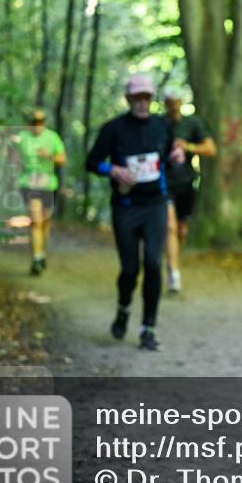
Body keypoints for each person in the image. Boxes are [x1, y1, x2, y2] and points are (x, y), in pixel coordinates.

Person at [85, 74, 185, 351]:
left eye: (147, 97)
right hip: (126, 208)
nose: (142, 102)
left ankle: (148, 329)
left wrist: (177, 159)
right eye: (137, 97)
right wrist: (113, 170)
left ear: (152, 100)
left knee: (153, 264)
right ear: (129, 99)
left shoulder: (162, 127)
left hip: (155, 205)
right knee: (130, 270)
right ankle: (123, 308)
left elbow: (170, 160)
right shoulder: (113, 129)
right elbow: (91, 162)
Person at [163, 88, 216, 293]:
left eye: (177, 101)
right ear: (166, 102)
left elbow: (211, 149)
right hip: (164, 182)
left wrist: (188, 147)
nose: (174, 105)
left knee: (182, 230)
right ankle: (174, 273)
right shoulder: (159, 124)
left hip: (186, 183)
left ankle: (173, 258)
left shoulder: (193, 123)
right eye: (170, 101)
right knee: (170, 227)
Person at [16, 110, 66, 275]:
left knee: (45, 222)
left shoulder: (52, 137)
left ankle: (41, 253)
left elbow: (62, 159)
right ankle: (37, 258)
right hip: (29, 184)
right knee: (36, 221)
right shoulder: (22, 137)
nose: (37, 125)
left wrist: (49, 156)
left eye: (40, 122)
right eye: (34, 122)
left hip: (48, 185)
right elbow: (13, 156)